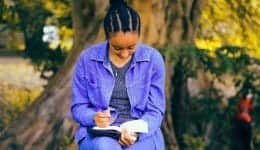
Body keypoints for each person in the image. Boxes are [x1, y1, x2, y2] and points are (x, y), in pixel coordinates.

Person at [71, 0, 166, 149]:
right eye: (117, 48)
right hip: (100, 135)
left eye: (131, 47)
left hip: (141, 134)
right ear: (107, 37)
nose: (124, 53)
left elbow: (156, 111)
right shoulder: (87, 59)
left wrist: (136, 132)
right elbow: (78, 107)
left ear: (139, 36)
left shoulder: (153, 60)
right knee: (105, 147)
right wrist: (93, 117)